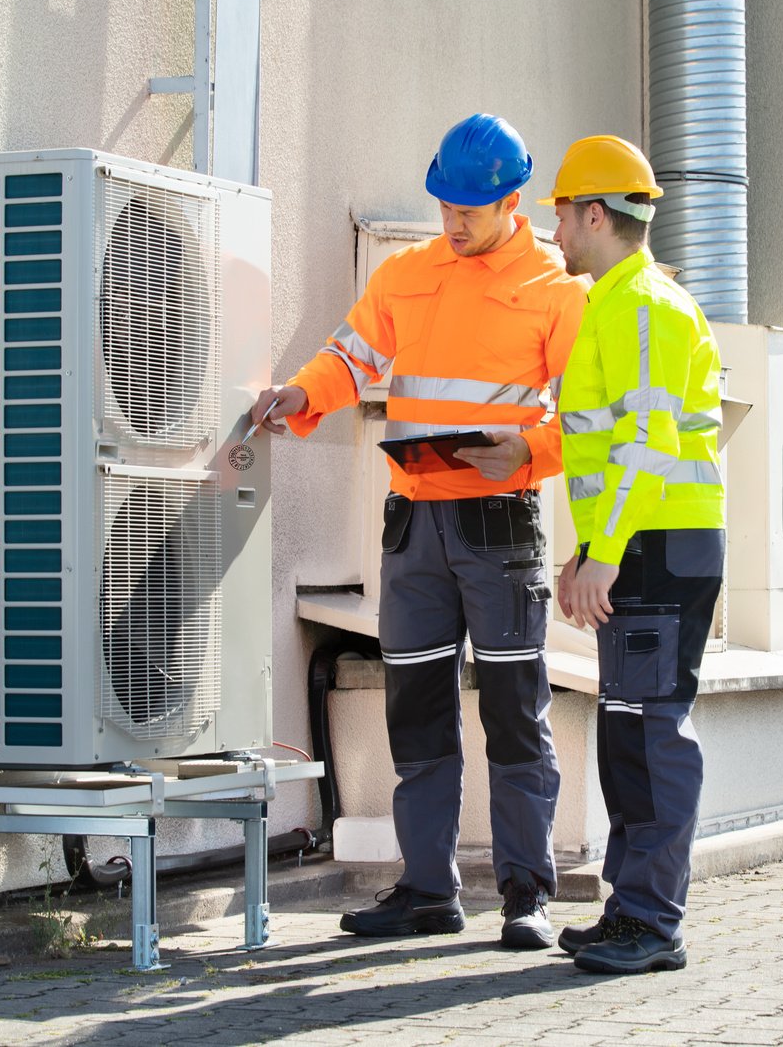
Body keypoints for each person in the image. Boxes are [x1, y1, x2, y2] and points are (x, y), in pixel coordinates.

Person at [250, 114, 585, 949]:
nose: (454, 221)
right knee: (418, 714)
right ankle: (428, 891)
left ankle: (524, 897)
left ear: (512, 201)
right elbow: (351, 356)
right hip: (413, 532)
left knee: (513, 714)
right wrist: (301, 396)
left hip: (499, 528)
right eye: (445, 205)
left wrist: (526, 451)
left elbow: (587, 421)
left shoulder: (556, 288)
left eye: (471, 208)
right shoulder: (406, 274)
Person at [543, 135, 725, 974]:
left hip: (657, 548)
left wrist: (604, 554)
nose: (554, 232)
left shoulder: (643, 305)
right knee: (627, 731)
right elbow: (609, 450)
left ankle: (652, 923)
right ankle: (630, 911)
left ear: (593, 213)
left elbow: (646, 446)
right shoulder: (618, 302)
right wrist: (588, 551)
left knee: (650, 734)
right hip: (640, 545)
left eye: (559, 213)